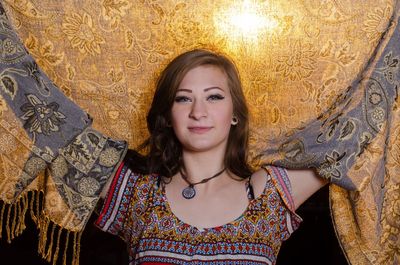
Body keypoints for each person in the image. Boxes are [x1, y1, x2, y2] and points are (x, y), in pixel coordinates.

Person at [95, 49, 327, 265]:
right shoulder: (137, 192)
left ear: (235, 112)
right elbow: (61, 130)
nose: (198, 112)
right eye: (183, 98)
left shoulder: (267, 196)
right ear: (167, 114)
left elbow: (351, 133)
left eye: (214, 97)